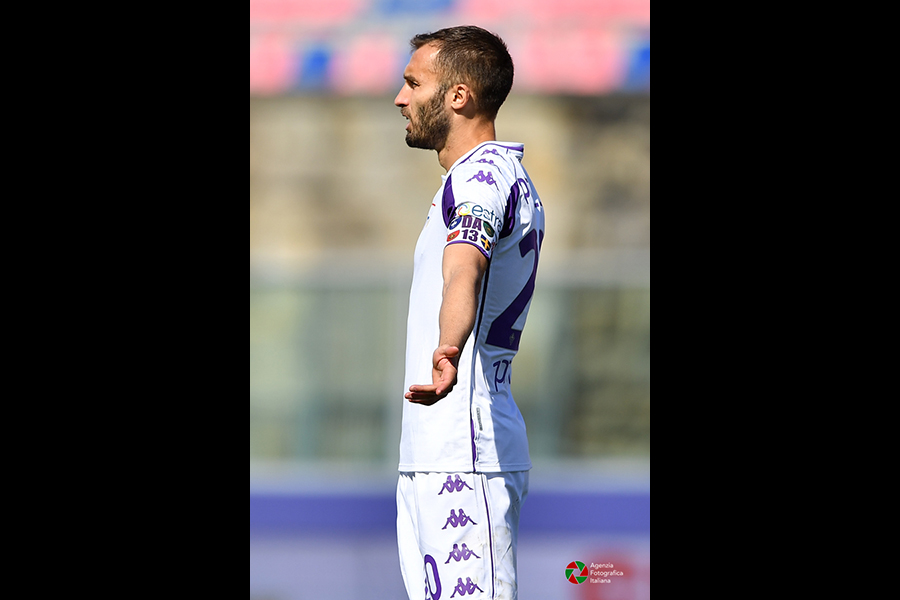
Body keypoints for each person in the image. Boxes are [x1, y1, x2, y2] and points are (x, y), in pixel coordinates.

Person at [393, 26, 546, 600]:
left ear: (458, 95)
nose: (401, 99)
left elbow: (465, 267)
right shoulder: (482, 177)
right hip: (440, 451)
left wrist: (448, 348)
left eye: (414, 83)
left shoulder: (481, 177)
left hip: (465, 449)